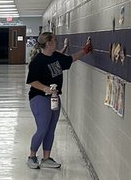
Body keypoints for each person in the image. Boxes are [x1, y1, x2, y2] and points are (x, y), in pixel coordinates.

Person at [25, 31, 92, 170]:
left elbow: (71, 59)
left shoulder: (56, 57)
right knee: (42, 128)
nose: (57, 42)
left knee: (50, 128)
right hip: (39, 98)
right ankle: (32, 157)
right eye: (55, 40)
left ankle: (46, 158)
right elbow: (32, 81)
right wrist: (45, 88)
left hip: (54, 98)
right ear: (49, 43)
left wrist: (85, 51)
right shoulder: (37, 61)